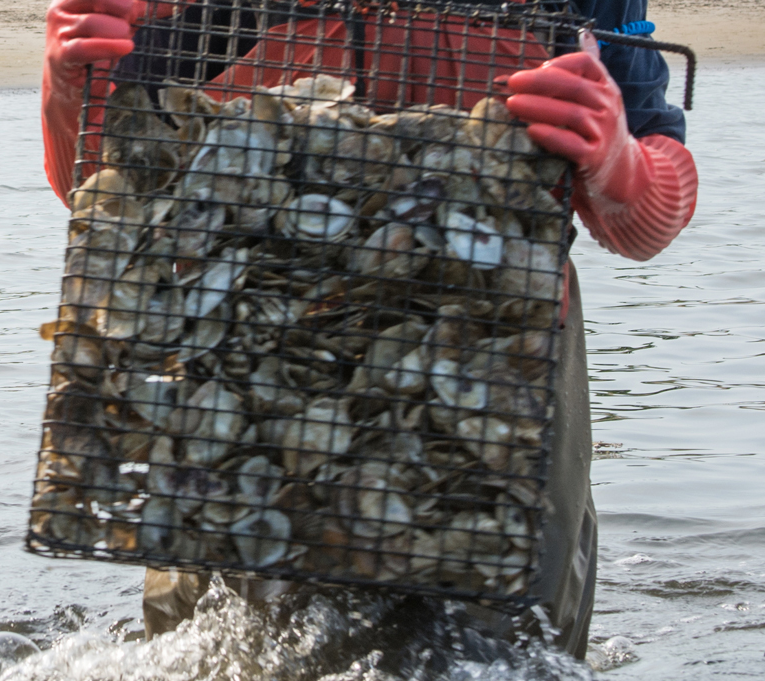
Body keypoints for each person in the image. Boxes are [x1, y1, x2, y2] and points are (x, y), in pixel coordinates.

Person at [41, 0, 698, 659]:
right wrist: (67, 84)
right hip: (247, 358)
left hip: (502, 359)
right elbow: (101, 173)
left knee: (514, 654)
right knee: (215, 652)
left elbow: (646, 216)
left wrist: (622, 164)